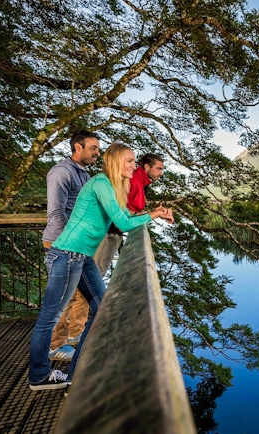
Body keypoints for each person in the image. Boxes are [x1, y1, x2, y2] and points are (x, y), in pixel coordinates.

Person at [29, 142, 174, 390]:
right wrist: (155, 215)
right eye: (129, 161)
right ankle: (39, 376)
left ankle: (78, 373)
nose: (133, 165)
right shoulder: (101, 182)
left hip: (81, 257)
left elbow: (126, 218)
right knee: (49, 318)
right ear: (116, 161)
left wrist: (154, 211)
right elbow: (124, 223)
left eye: (134, 161)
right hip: (67, 254)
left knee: (101, 308)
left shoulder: (114, 187)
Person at [43, 130, 100, 362]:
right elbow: (56, 213)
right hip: (62, 246)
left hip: (78, 247)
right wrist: (71, 242)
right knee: (60, 303)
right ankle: (52, 349)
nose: (98, 152)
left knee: (85, 298)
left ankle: (73, 338)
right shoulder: (61, 172)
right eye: (93, 148)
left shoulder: (84, 175)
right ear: (78, 147)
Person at [93, 153, 167, 275]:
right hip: (109, 233)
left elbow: (130, 211)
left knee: (96, 272)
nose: (161, 173)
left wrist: (155, 213)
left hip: (114, 231)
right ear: (147, 167)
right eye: (159, 169)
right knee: (96, 272)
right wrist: (154, 214)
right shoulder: (132, 181)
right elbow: (119, 208)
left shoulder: (141, 183)